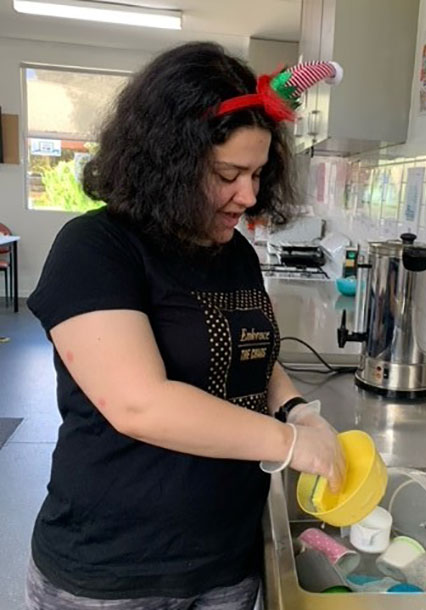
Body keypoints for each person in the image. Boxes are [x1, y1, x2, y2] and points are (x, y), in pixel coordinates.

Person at [25, 42, 345, 610]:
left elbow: (250, 351)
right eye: (228, 174)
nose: (248, 196)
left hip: (225, 559)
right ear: (169, 162)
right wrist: (289, 442)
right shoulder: (96, 249)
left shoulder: (236, 253)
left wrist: (297, 408)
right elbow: (139, 404)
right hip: (115, 573)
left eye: (258, 174)